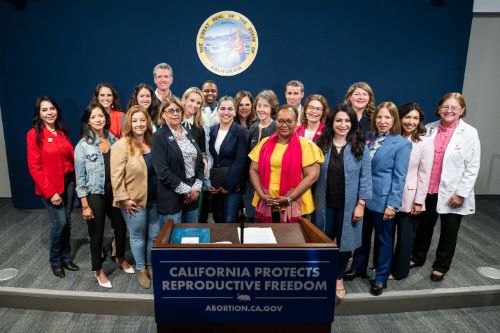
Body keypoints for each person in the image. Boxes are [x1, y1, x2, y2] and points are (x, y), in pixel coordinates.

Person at [412, 92, 480, 282]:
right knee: (423, 227)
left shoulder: (469, 133)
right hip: (428, 188)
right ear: (439, 108)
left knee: (449, 231)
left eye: (454, 108)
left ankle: (441, 266)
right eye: (445, 107)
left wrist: (461, 193)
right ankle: (417, 257)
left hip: (453, 192)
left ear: (462, 110)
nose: (449, 111)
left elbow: (472, 166)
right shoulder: (429, 128)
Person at [345, 102, 411, 296]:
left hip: (383, 201)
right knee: (361, 236)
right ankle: (358, 267)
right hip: (363, 198)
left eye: (388, 118)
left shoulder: (402, 144)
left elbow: (400, 177)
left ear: (394, 120)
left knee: (383, 240)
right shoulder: (368, 138)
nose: (383, 121)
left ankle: (381, 277)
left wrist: (392, 204)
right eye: (379, 117)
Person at [313, 104, 372, 301]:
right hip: (323, 205)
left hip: (349, 207)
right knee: (323, 241)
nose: (343, 124)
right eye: (338, 120)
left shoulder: (360, 146)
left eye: (347, 120)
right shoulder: (320, 143)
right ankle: (322, 275)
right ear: (331, 122)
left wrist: (361, 204)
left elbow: (365, 177)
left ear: (353, 123)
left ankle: (338, 277)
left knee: (345, 243)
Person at [75, 104, 133, 289]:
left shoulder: (114, 139)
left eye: (101, 116)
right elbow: (80, 179)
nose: (98, 119)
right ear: (88, 121)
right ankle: (98, 270)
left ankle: (120, 257)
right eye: (93, 117)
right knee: (96, 233)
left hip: (114, 191)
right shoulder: (83, 146)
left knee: (121, 228)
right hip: (95, 193)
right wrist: (85, 205)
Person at [27, 96, 79, 278]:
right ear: (39, 113)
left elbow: (70, 159)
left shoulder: (61, 131)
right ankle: (55, 261)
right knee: (60, 223)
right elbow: (35, 168)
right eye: (44, 110)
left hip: (69, 183)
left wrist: (76, 180)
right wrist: (51, 192)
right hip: (51, 188)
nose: (49, 113)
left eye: (52, 109)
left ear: (57, 110)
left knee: (68, 222)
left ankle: (66, 258)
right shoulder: (34, 134)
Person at [110, 106, 160, 289]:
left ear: (148, 122)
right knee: (138, 236)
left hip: (156, 200)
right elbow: (116, 175)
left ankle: (149, 264)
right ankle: (140, 269)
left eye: (142, 120)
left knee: (153, 236)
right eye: (135, 120)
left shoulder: (154, 142)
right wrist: (123, 199)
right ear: (129, 123)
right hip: (134, 202)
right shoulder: (121, 145)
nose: (139, 124)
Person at [249, 105, 324, 223]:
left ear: (296, 122)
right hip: (266, 203)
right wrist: (261, 195)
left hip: (296, 204)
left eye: (289, 121)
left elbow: (312, 177)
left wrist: (289, 198)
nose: (284, 125)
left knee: (293, 241)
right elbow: (253, 169)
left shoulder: (306, 145)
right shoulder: (264, 143)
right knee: (267, 239)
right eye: (280, 121)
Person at [390, 103, 434, 280]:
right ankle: (384, 265)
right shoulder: (391, 137)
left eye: (415, 118)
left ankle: (399, 271)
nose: (411, 121)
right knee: (386, 235)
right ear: (399, 118)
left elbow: (425, 174)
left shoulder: (424, 142)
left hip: (410, 197)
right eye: (407, 117)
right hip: (389, 195)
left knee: (405, 238)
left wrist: (419, 201)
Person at [152, 97, 204, 225]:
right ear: (163, 114)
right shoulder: (158, 137)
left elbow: (200, 162)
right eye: (170, 111)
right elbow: (163, 172)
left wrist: (196, 188)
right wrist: (187, 191)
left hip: (193, 195)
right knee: (172, 241)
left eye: (178, 110)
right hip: (171, 197)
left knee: (192, 238)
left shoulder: (187, 132)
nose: (175, 113)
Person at [208, 96, 249, 223]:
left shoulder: (241, 131)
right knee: (217, 218)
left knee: (229, 220)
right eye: (223, 108)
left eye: (230, 109)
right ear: (218, 110)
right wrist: (210, 183)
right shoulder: (211, 130)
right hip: (215, 186)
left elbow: (240, 161)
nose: (226, 112)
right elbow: (210, 158)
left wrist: (227, 185)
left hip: (232, 186)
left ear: (235, 111)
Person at [245, 90, 279, 222]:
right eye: (259, 105)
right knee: (252, 220)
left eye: (265, 106)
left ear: (272, 108)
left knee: (268, 223)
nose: (261, 109)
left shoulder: (276, 128)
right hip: (251, 184)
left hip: (269, 185)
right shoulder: (253, 127)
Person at [181, 87, 208, 222]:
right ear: (184, 100)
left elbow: (202, 158)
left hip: (194, 182)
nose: (195, 105)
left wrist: (196, 186)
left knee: (191, 225)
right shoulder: (172, 123)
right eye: (192, 100)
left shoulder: (199, 129)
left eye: (198, 103)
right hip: (174, 182)